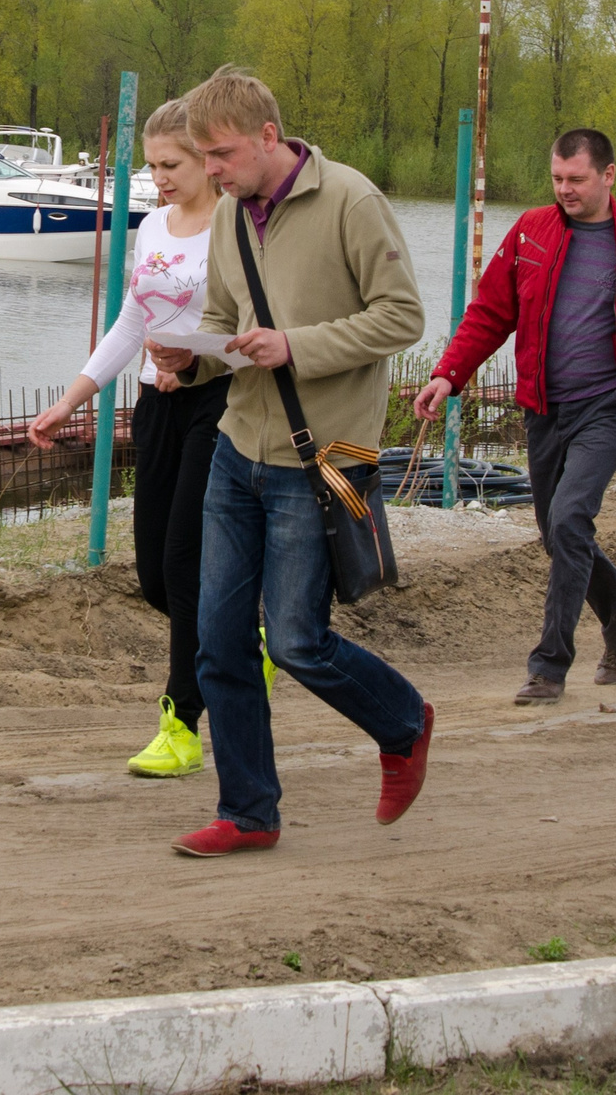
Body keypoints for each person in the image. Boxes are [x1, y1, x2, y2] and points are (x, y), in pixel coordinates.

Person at [147, 66, 432, 858]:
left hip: (330, 454)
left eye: (224, 154)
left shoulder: (353, 201)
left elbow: (403, 316)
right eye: (204, 157)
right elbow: (224, 320)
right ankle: (248, 811)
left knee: (301, 640)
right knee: (218, 640)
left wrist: (294, 347)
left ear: (270, 138)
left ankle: (404, 723)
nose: (212, 172)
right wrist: (191, 358)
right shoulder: (234, 216)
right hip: (239, 448)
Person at [410, 128, 616, 706]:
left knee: (569, 520)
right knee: (555, 531)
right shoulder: (530, 233)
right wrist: (449, 373)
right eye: (558, 179)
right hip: (544, 406)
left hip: (608, 409)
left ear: (608, 175)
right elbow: (492, 310)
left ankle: (549, 665)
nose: (565, 189)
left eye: (577, 179)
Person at [28, 97, 242, 779]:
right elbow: (130, 322)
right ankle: (244, 638)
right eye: (151, 166)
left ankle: (181, 725)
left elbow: (258, 328)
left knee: (183, 562)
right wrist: (70, 399)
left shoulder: (237, 227)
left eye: (171, 164)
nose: (160, 179)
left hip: (217, 402)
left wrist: (200, 361)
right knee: (153, 575)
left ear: (207, 160)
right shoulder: (152, 227)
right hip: (155, 404)